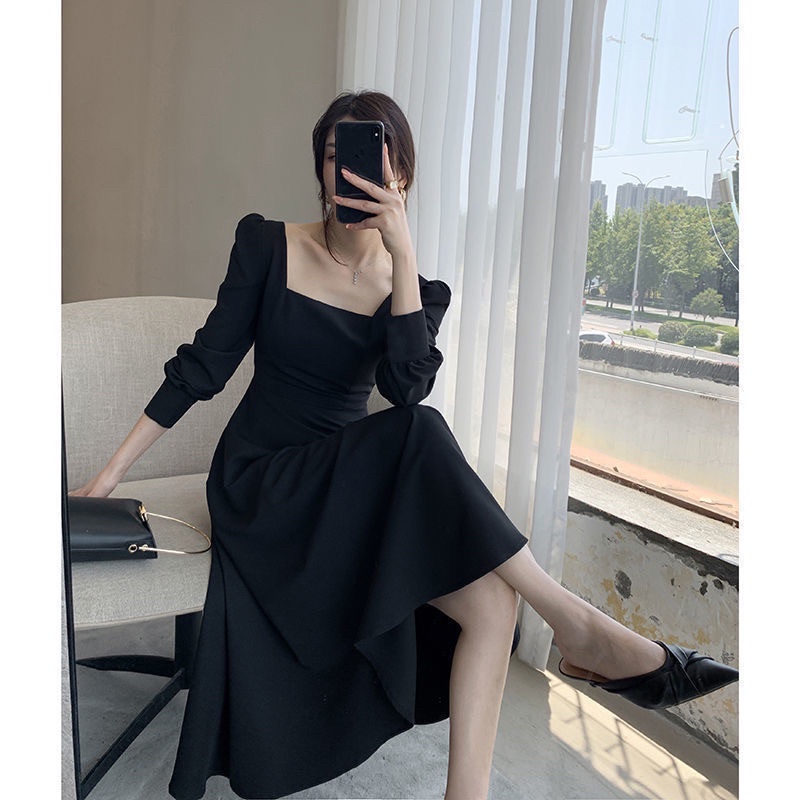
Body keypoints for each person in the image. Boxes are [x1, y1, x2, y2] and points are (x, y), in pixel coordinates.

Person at [73, 91, 737, 800]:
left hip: (351, 494)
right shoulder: (268, 245)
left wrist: (403, 254)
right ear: (320, 169)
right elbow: (202, 368)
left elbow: (404, 387)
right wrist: (108, 477)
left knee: (493, 603)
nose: (346, 170)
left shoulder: (417, 292)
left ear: (402, 175)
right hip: (263, 486)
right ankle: (578, 624)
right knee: (422, 432)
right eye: (334, 155)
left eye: (368, 157)